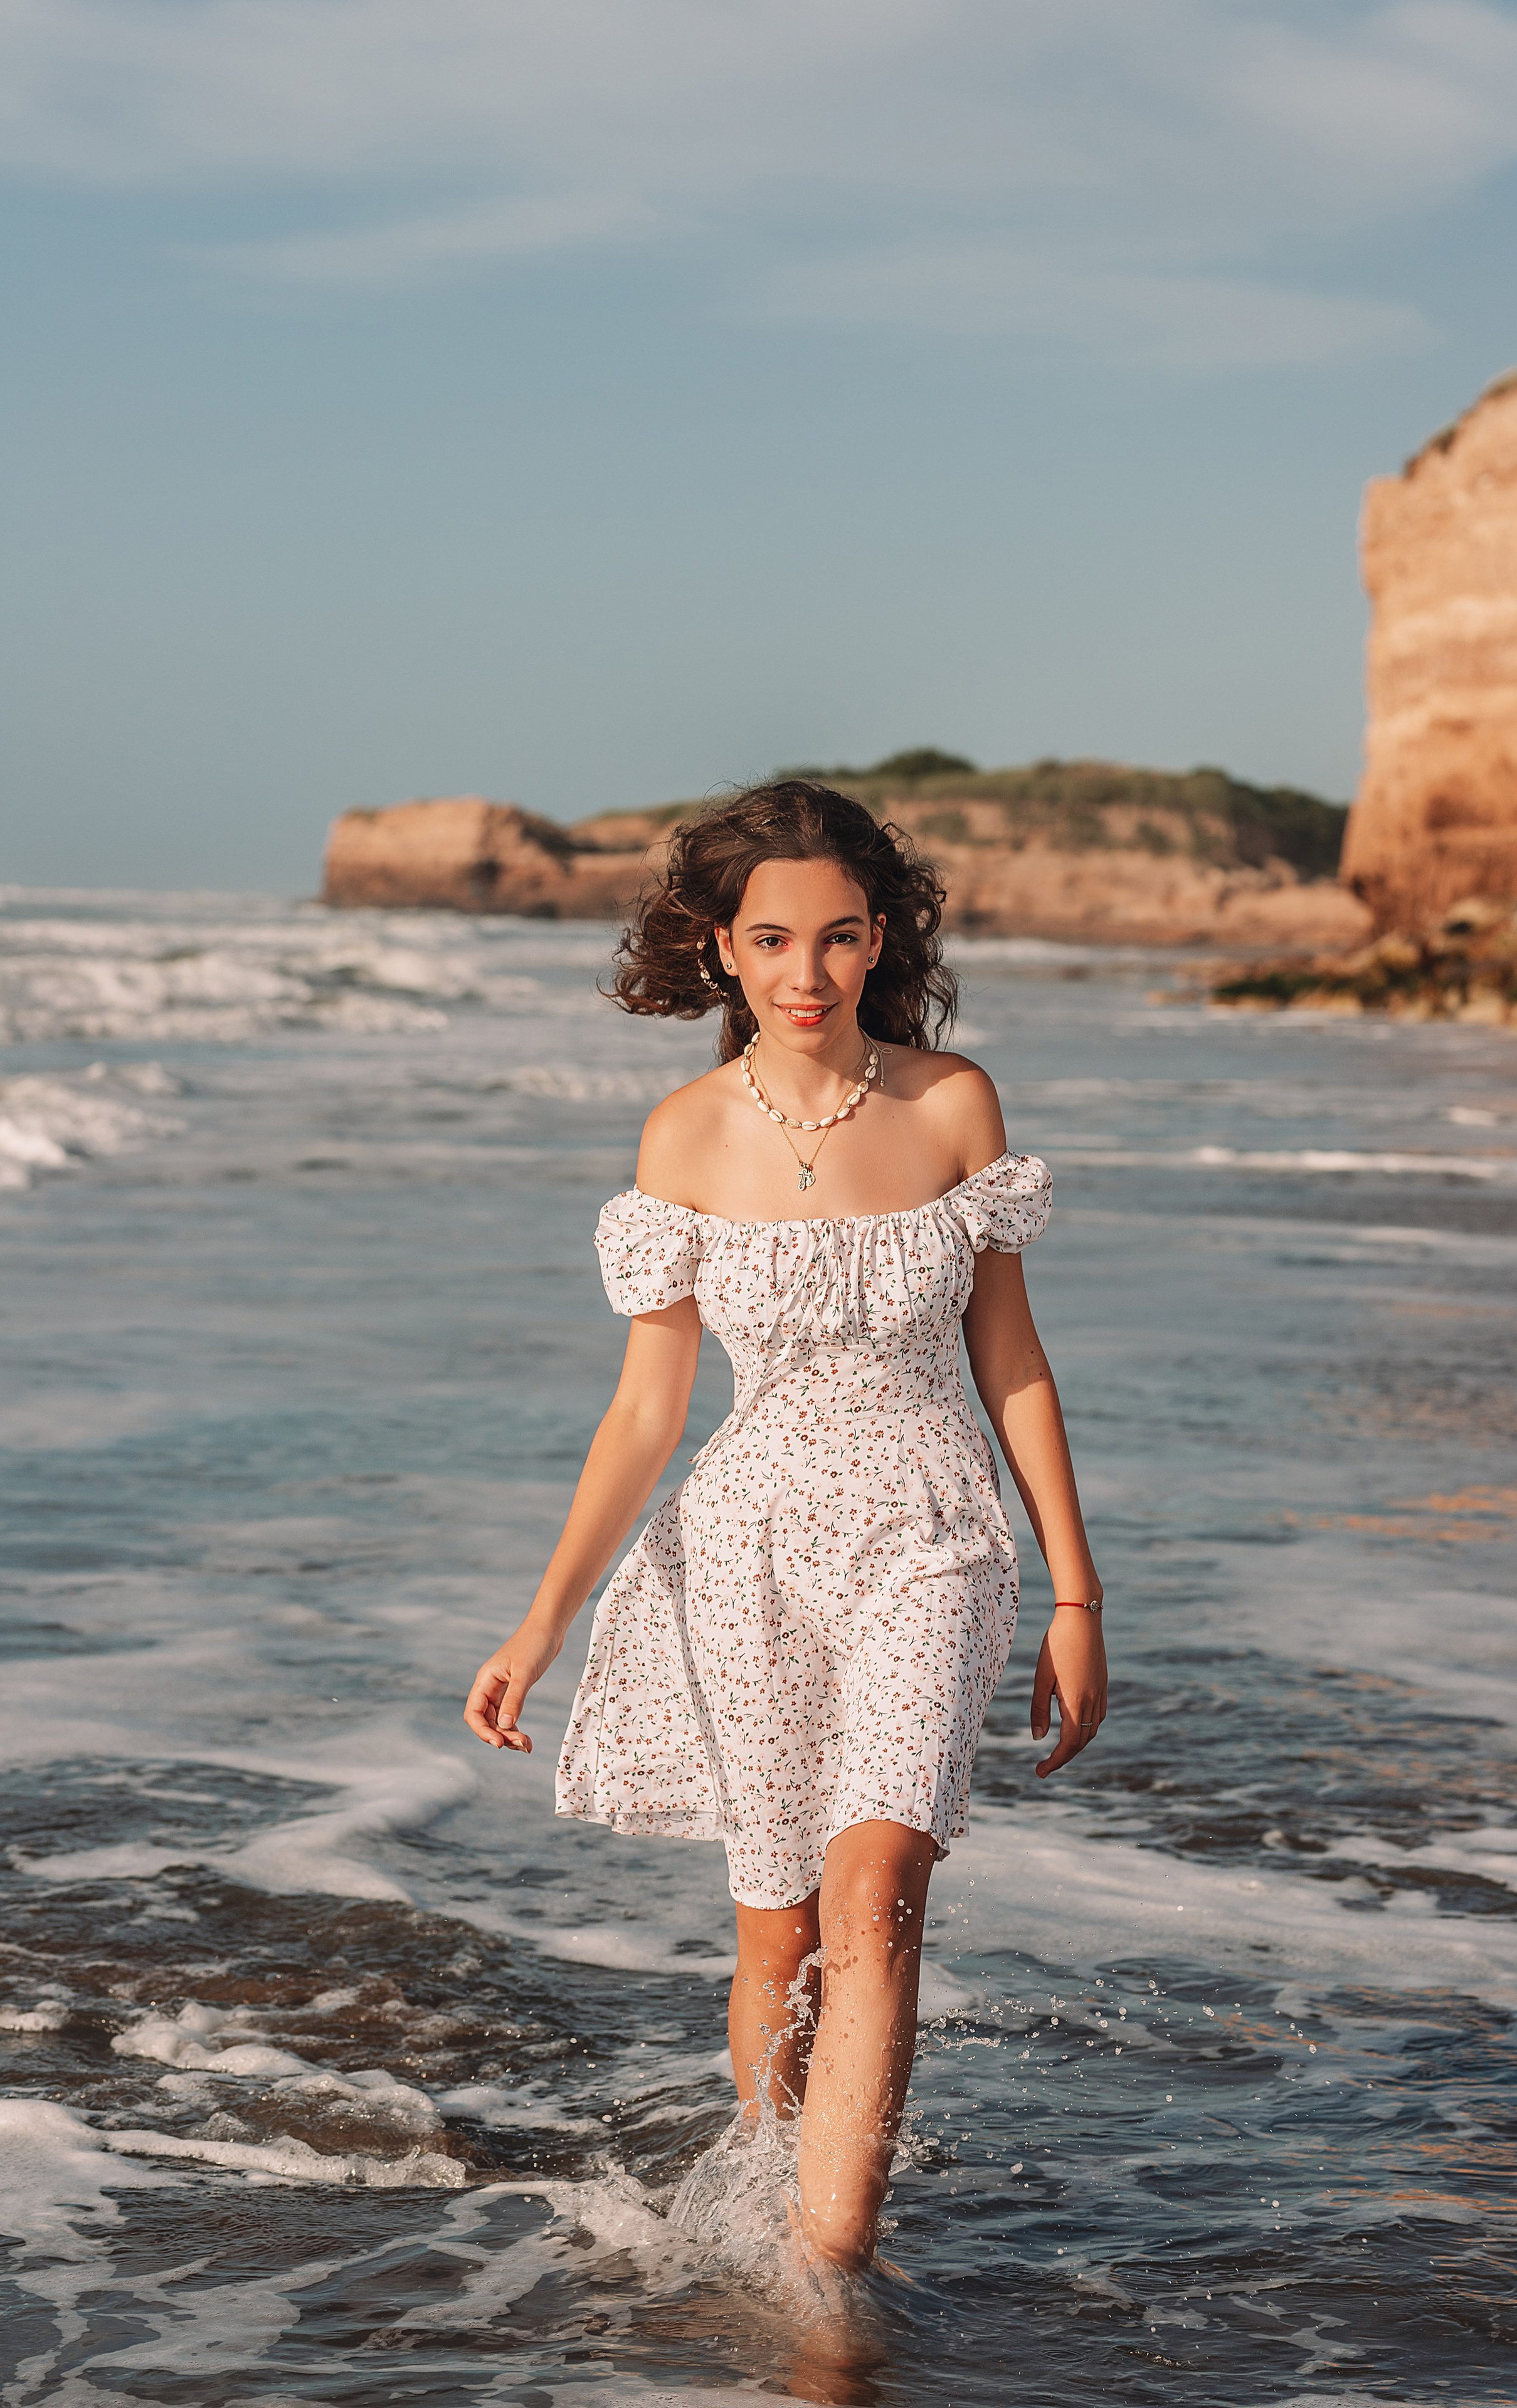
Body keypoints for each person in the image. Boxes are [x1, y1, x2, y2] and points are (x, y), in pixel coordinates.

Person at [464, 780, 1106, 2276]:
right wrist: (540, 1621)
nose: (806, 973)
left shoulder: (953, 1106)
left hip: (930, 1538)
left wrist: (1074, 1596)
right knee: (779, 1935)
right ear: (721, 951)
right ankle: (766, 2208)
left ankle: (826, 2290)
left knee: (876, 1890)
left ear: (878, 939)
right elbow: (644, 1417)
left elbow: (1011, 1361)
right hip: (743, 1559)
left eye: (835, 937)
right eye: (772, 939)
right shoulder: (680, 1138)